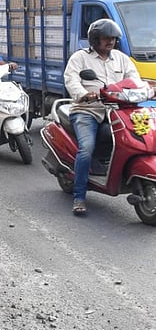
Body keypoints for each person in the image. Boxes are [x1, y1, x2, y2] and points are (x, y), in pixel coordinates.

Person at [63, 18, 139, 216]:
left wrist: (143, 89)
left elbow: (134, 80)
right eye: (106, 38)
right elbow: (71, 80)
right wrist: (84, 94)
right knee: (86, 149)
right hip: (88, 110)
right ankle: (79, 196)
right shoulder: (80, 58)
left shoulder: (121, 59)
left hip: (117, 110)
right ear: (95, 39)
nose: (110, 42)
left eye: (113, 39)